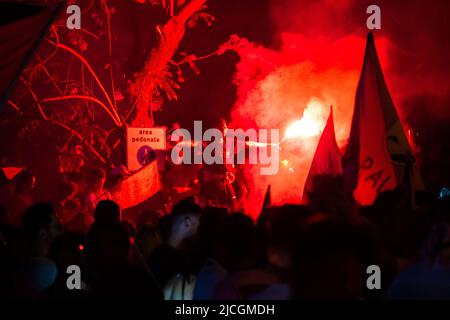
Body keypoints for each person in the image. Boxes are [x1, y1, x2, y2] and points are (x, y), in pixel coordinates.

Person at [14, 203, 62, 298]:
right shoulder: (45, 268)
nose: (61, 231)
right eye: (56, 227)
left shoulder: (21, 257)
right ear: (42, 233)